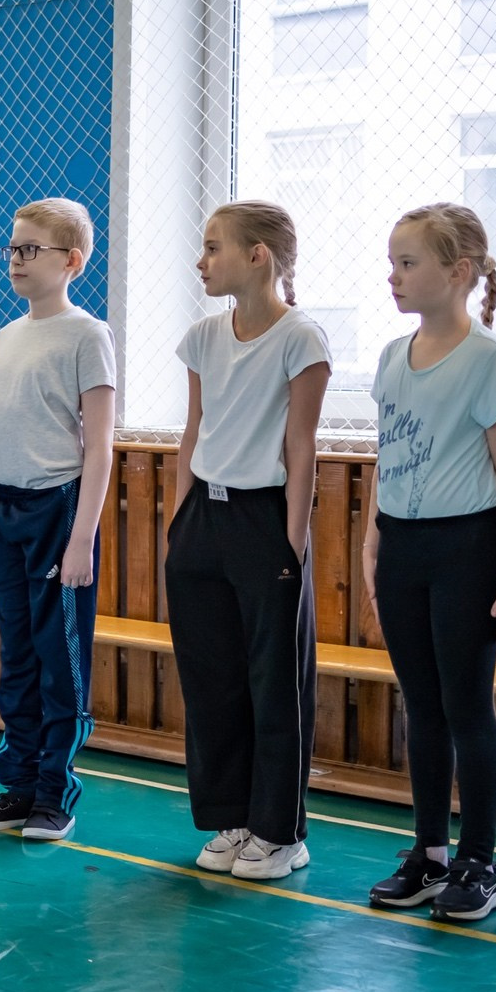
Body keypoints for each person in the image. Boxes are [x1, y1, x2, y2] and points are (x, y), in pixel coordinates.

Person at [363, 203, 496, 922]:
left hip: (468, 547)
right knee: (419, 704)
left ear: (456, 273)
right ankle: (429, 853)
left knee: (465, 703)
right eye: (392, 262)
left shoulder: (488, 360)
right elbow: (384, 457)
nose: (393, 276)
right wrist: (372, 539)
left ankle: (480, 862)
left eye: (408, 262)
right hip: (402, 545)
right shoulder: (391, 357)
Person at [166, 201, 331, 881]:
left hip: (264, 523)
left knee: (274, 683)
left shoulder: (301, 339)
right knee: (211, 679)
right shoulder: (203, 337)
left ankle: (279, 831)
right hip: (203, 517)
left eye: (213, 248)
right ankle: (230, 819)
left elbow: (301, 446)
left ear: (257, 255)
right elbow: (192, 431)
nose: (201, 262)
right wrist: (180, 524)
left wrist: (290, 544)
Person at [0, 199, 115, 841]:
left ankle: (55, 791)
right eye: (13, 248)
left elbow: (100, 444)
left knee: (61, 662)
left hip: (56, 511)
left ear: (71, 260)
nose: (18, 260)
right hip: (1, 508)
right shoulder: (5, 335)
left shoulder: (88, 335)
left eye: (32, 250)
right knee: (17, 659)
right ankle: (18, 785)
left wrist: (81, 536)